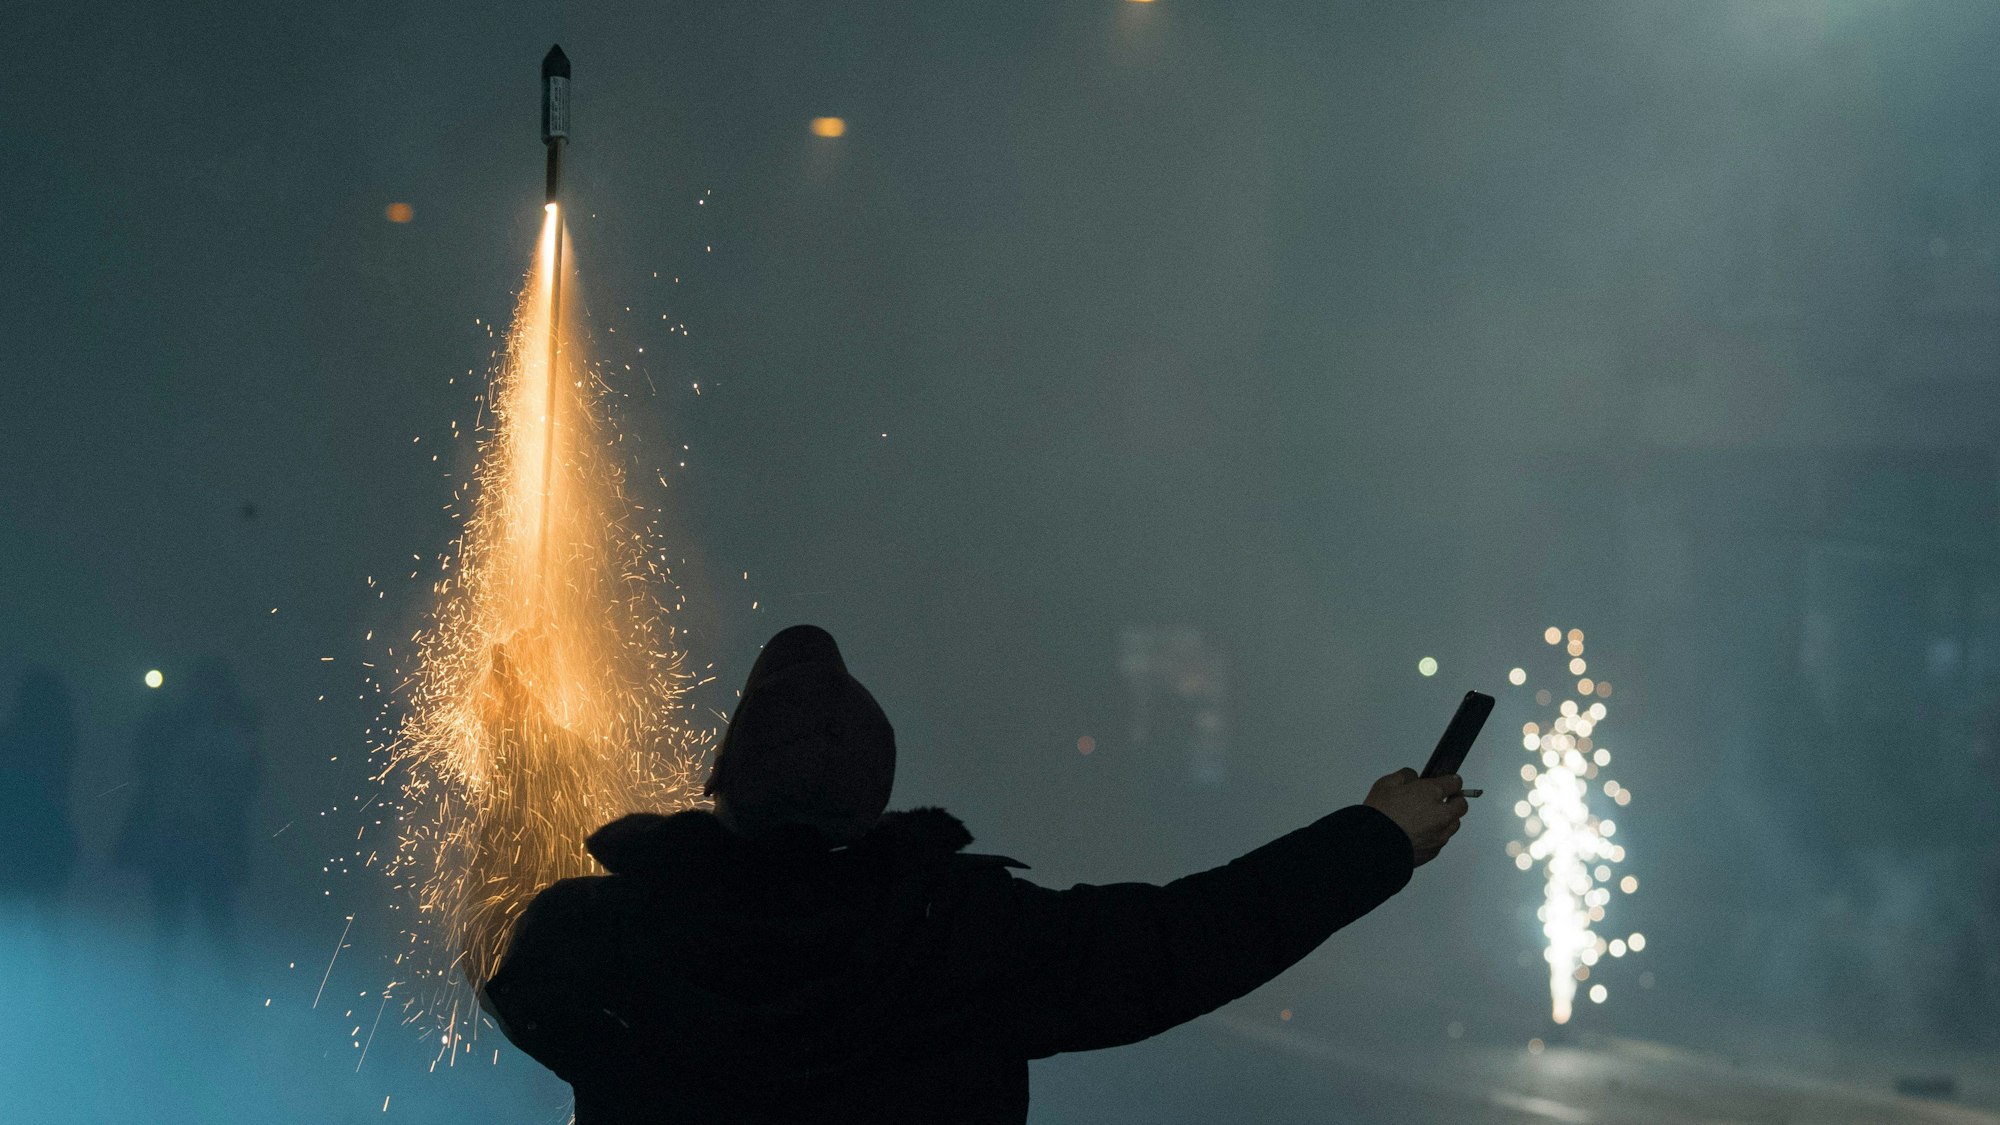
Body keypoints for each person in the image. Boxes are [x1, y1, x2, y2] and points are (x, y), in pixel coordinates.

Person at [482, 625, 1468, 1123]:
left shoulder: (600, 936)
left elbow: (502, 954)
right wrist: (1374, 839)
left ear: (720, 783)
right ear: (875, 794)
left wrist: (512, 762)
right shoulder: (956, 937)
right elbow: (1183, 941)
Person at [114, 658, 263, 957]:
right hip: (177, 836)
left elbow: (249, 783)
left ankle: (230, 992)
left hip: (208, 840)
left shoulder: (231, 733)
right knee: (173, 924)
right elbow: (146, 762)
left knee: (215, 924)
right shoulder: (176, 726)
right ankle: (174, 993)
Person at [0, 667, 82, 926]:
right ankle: (53, 966)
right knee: (48, 916)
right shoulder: (61, 738)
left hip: (19, 833)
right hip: (45, 832)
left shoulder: (16, 739)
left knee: (14, 913)